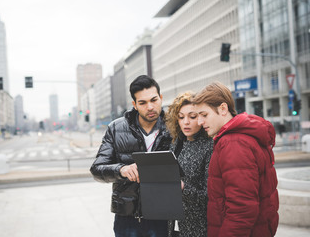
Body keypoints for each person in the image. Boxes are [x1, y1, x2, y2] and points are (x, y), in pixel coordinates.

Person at [192, 82, 279, 237]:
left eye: (204, 115)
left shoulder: (233, 143)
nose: (199, 122)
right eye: (197, 116)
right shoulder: (240, 137)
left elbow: (241, 210)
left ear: (223, 109)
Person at [90, 75, 172, 237]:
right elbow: (97, 169)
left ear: (161, 98)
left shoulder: (174, 126)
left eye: (154, 100)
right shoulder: (116, 128)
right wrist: (122, 169)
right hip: (127, 216)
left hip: (163, 215)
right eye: (142, 103)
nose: (150, 107)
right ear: (134, 104)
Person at [165, 92, 213, 237]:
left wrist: (183, 188)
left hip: (198, 227)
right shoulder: (176, 143)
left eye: (192, 117)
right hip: (172, 224)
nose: (186, 122)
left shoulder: (209, 146)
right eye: (181, 117)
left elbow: (210, 195)